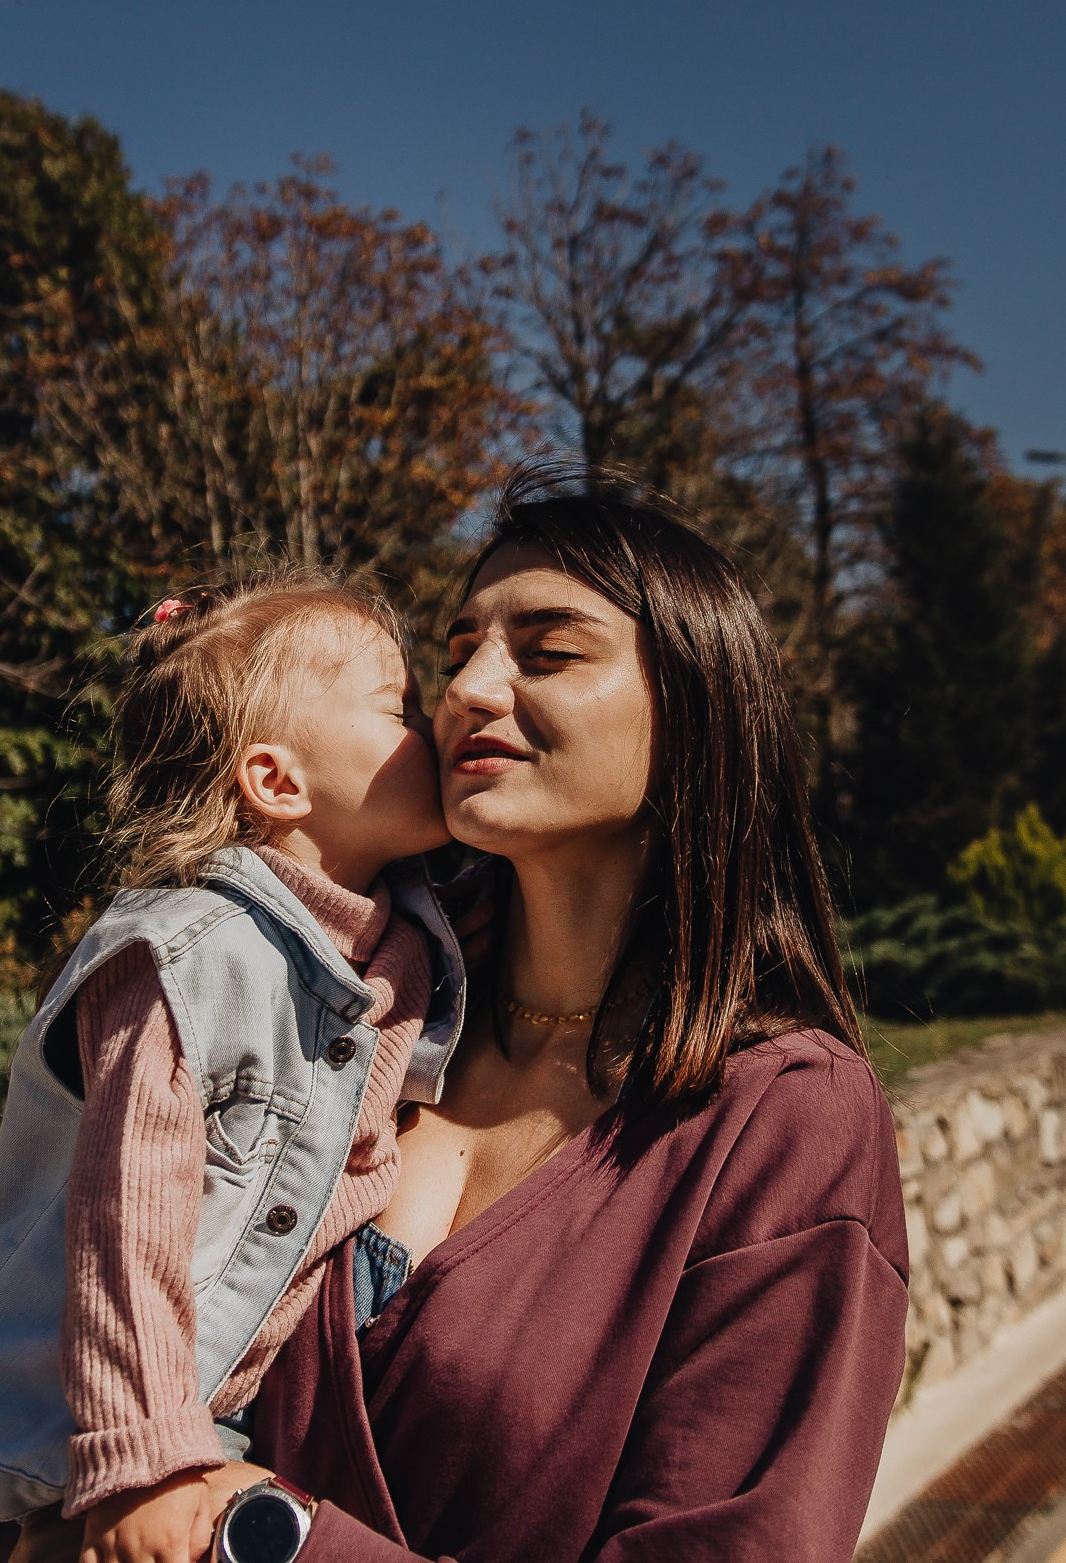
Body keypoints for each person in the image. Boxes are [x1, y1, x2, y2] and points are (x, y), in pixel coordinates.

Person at [207, 470, 910, 1563]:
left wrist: (249, 1538)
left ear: (696, 711)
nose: (469, 691)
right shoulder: (344, 1031)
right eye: (457, 653)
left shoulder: (783, 1121)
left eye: (548, 652)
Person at [0, 575, 463, 1563]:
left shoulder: (401, 939)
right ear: (278, 783)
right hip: (93, 1452)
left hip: (217, 1430)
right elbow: (125, 1228)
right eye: (398, 710)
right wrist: (141, 1459)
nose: (432, 723)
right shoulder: (187, 957)